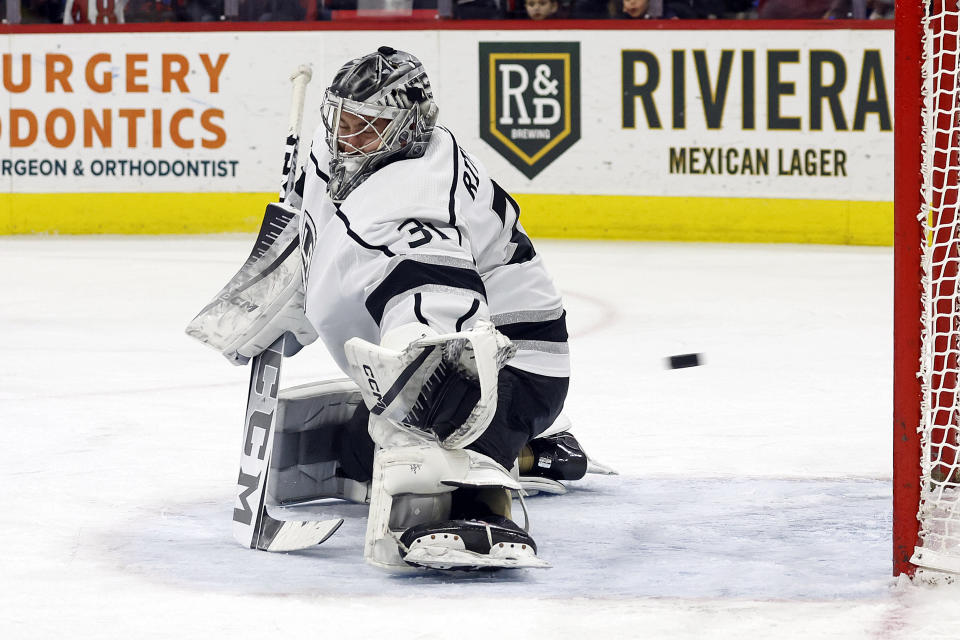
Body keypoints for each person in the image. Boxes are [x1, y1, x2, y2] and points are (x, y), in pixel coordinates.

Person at [291, 47, 592, 571]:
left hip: (515, 363)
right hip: (478, 343)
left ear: (408, 128)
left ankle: (487, 494)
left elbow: (444, 329)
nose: (345, 137)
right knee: (356, 455)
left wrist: (408, 413)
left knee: (433, 434)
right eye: (340, 120)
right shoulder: (354, 150)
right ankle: (529, 451)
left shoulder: (420, 193)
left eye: (365, 127)